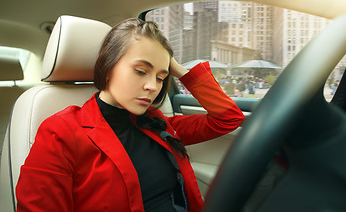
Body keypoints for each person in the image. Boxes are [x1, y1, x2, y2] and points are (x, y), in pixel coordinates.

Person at [16, 19, 244, 212]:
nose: (152, 86)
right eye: (141, 71)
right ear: (108, 66)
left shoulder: (159, 124)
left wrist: (171, 64)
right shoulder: (61, 133)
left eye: (160, 77)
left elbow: (228, 118)